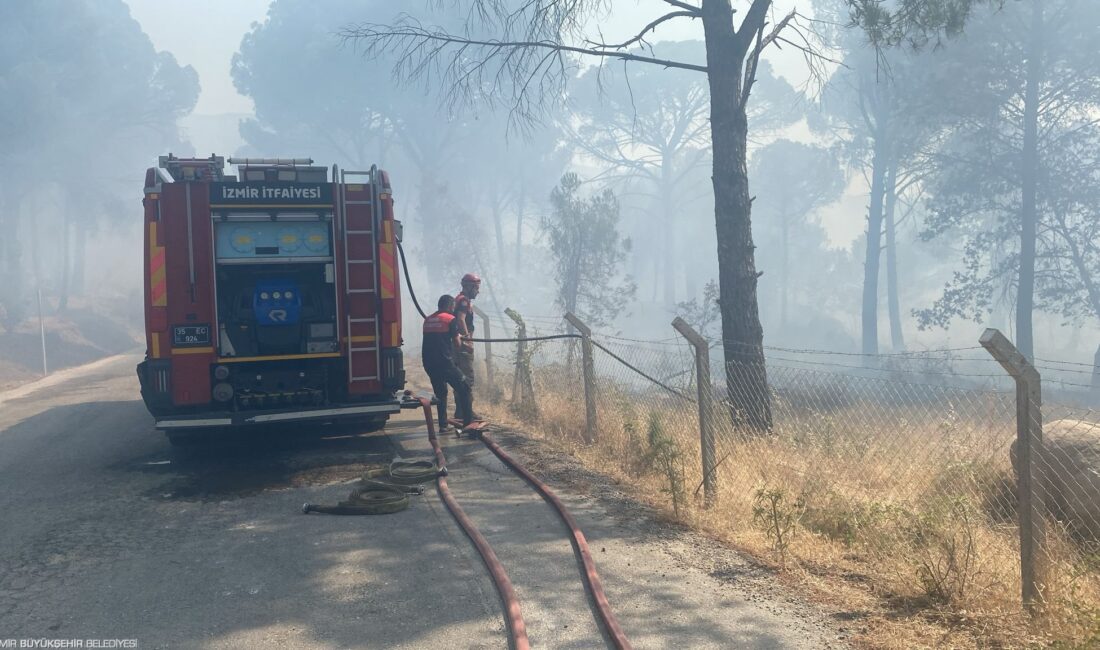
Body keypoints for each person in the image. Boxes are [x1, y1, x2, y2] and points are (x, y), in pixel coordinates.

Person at [422, 294, 473, 430]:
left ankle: (443, 425)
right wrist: (465, 343)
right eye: (453, 307)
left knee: (441, 393)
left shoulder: (428, 319)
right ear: (450, 306)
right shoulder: (450, 319)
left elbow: (437, 338)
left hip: (429, 364)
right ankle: (468, 424)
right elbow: (457, 344)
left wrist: (455, 335)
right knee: (465, 388)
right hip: (444, 363)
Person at [452, 272, 481, 421]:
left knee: (459, 378)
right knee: (467, 378)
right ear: (469, 287)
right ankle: (468, 412)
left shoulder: (458, 299)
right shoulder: (464, 301)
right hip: (462, 346)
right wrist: (468, 341)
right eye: (476, 288)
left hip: (456, 345)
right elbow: (461, 320)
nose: (478, 291)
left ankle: (460, 411)